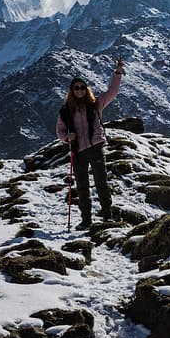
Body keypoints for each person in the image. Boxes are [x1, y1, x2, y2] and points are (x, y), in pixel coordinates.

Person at [56, 57, 124, 229]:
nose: (79, 90)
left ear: (86, 89)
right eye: (76, 88)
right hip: (78, 151)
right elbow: (60, 130)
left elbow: (112, 92)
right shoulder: (65, 111)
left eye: (82, 87)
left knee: (101, 182)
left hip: (95, 147)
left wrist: (117, 72)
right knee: (83, 187)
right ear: (72, 91)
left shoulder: (96, 104)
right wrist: (66, 138)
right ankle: (86, 220)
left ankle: (107, 216)